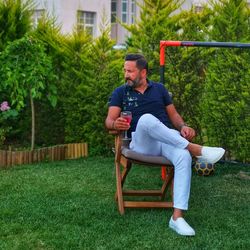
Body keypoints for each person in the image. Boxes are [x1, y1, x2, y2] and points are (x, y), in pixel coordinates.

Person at [105, 53, 225, 236]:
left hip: (167, 140)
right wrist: (115, 124)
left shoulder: (159, 89)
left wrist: (183, 126)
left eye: (130, 71)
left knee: (183, 156)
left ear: (143, 72)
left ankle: (177, 218)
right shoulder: (120, 92)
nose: (126, 74)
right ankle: (196, 149)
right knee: (146, 119)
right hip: (141, 143)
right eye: (125, 70)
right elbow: (109, 121)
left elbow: (174, 116)